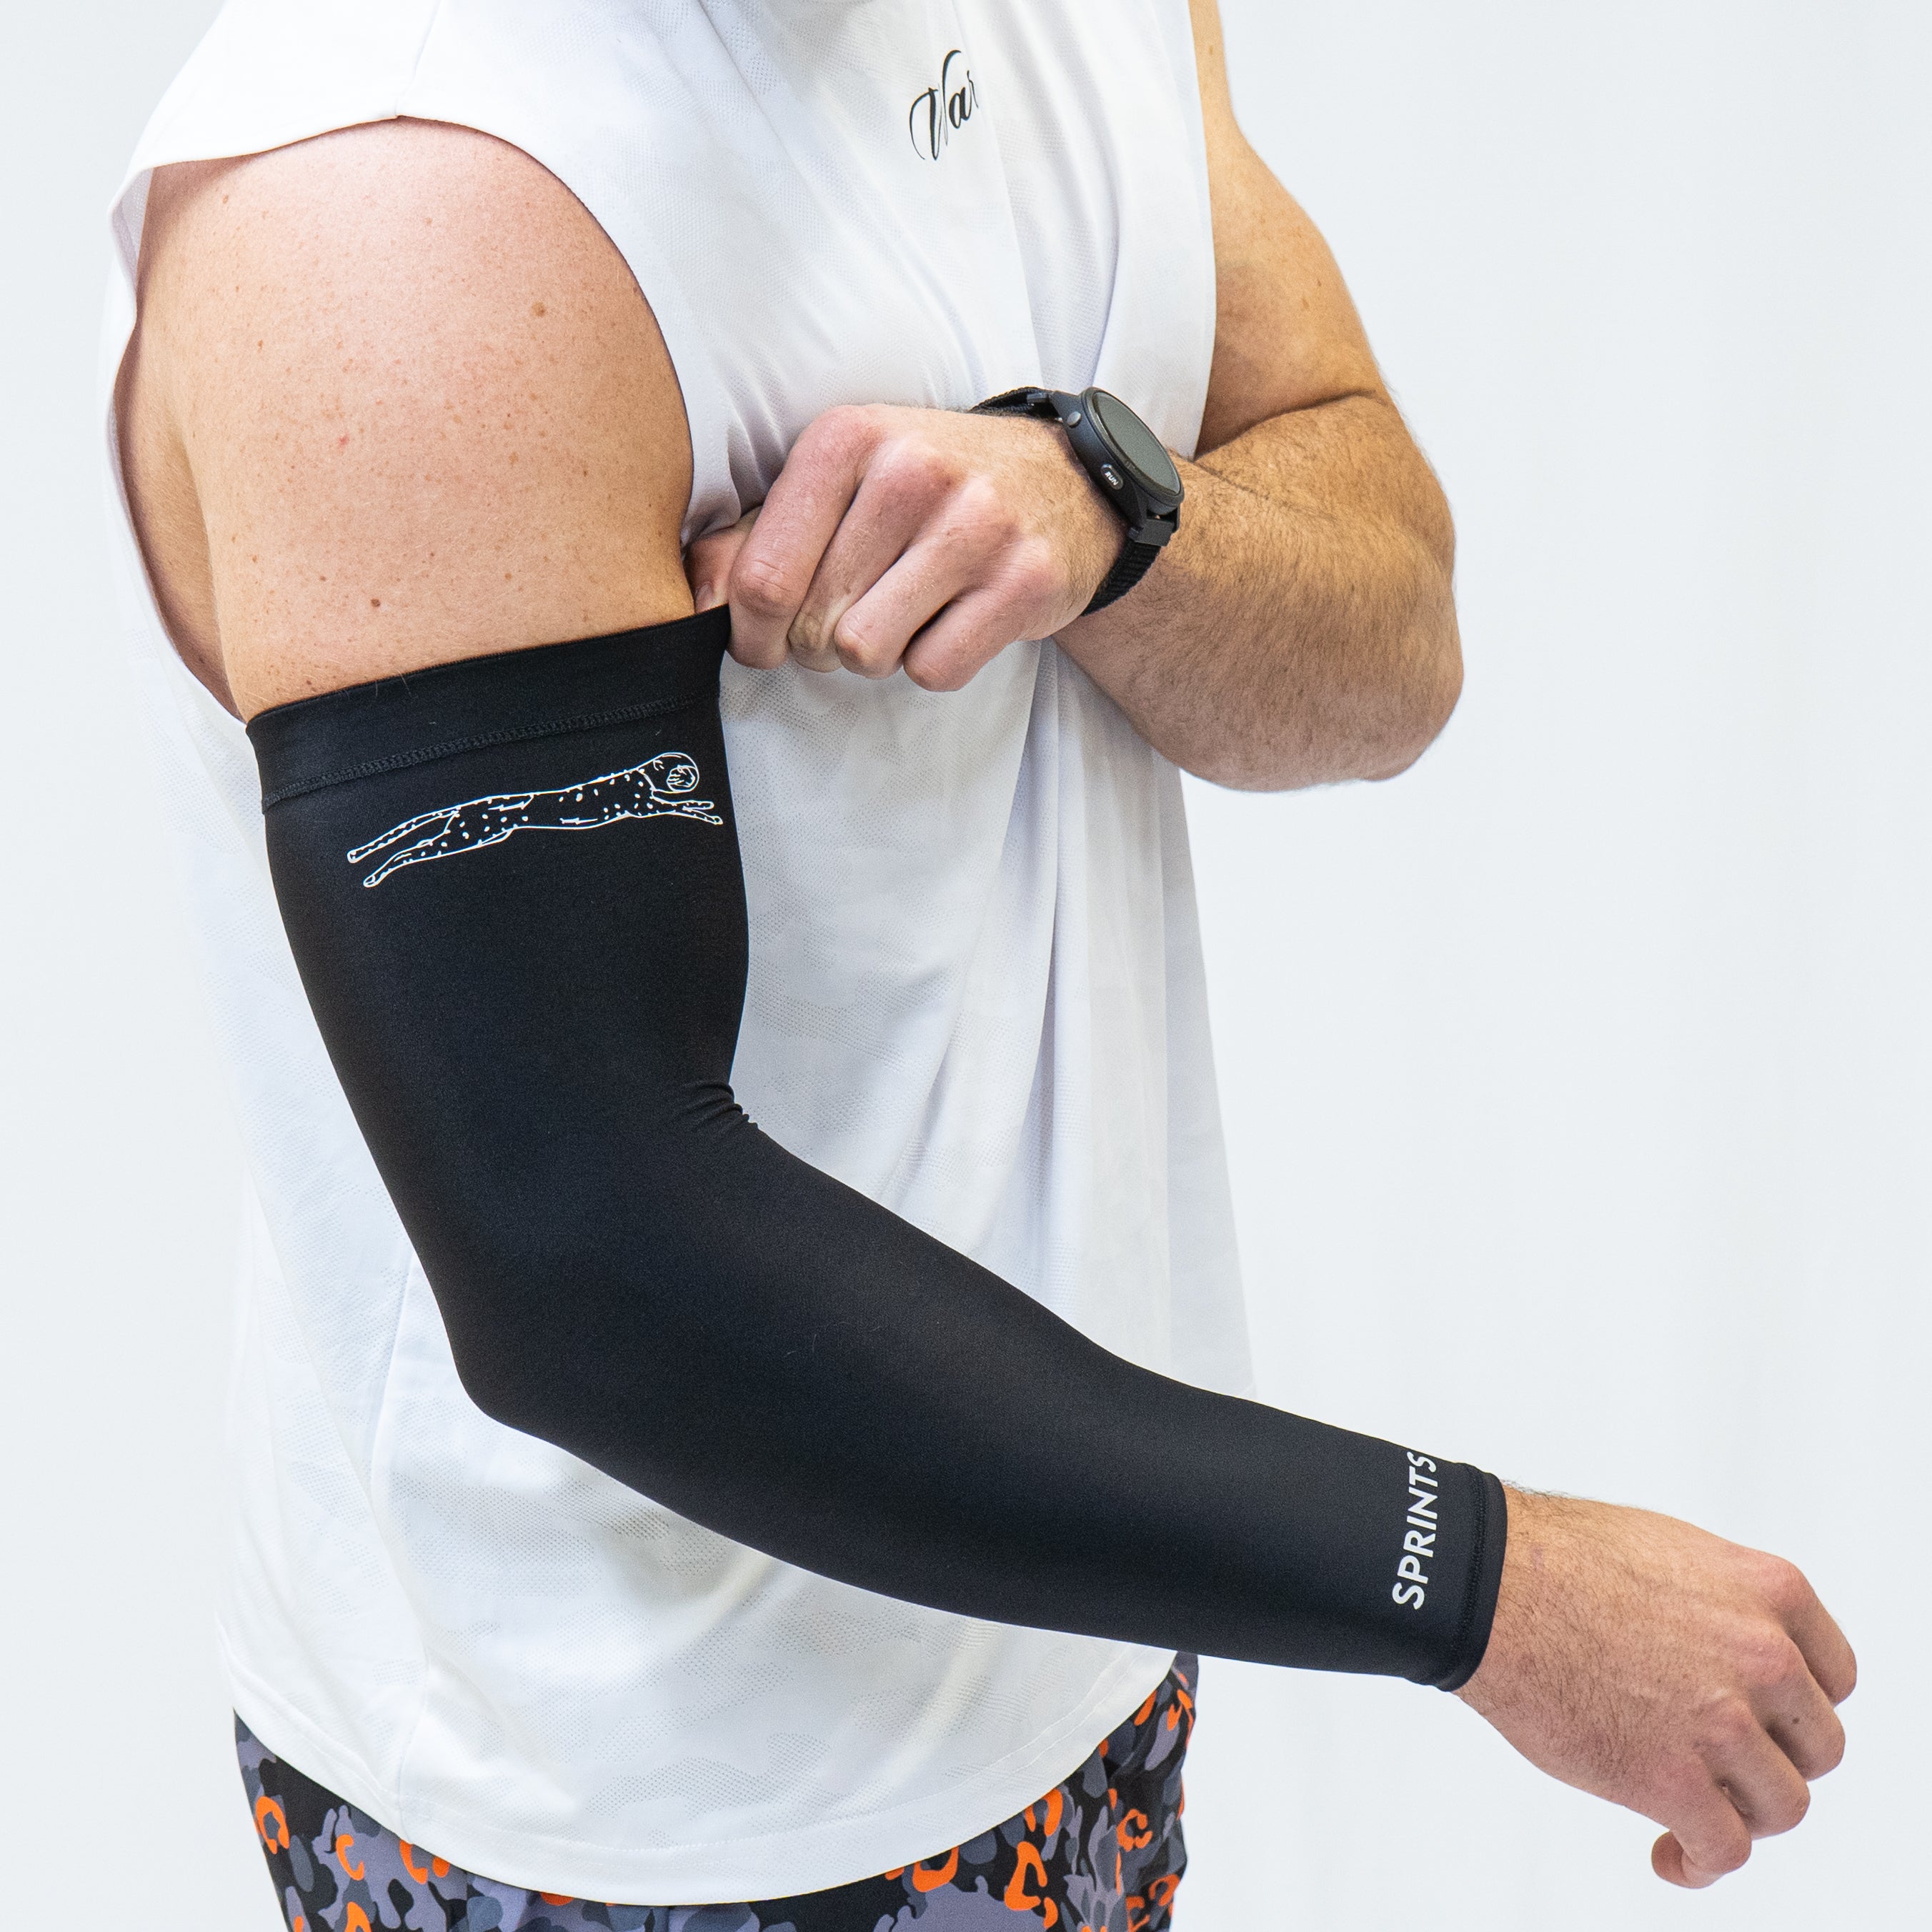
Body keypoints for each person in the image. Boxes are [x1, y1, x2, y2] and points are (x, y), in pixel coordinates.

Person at [105, 2, 1853, 1926]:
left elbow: (1390, 652)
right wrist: (1485, 1584)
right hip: (633, 1803)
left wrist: (1108, 505)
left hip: (1076, 1615)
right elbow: (593, 1260)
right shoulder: (396, 198)